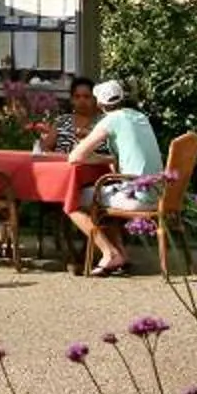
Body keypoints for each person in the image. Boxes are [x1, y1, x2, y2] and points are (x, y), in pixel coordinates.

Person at [64, 79, 164, 277]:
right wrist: (101, 158)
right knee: (103, 197)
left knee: (74, 201)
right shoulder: (139, 117)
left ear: (99, 104)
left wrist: (87, 149)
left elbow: (74, 157)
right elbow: (118, 160)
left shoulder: (110, 120)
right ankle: (121, 255)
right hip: (158, 193)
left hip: (137, 197)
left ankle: (109, 253)